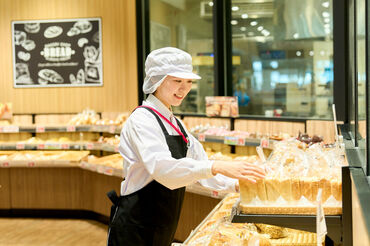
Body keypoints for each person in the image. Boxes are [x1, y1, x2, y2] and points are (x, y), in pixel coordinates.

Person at [107, 47, 265, 246]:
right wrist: (216, 166)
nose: (184, 89)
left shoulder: (175, 122)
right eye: (177, 81)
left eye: (189, 82)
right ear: (156, 80)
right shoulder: (142, 120)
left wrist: (237, 184)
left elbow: (199, 165)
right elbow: (163, 169)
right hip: (135, 226)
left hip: (162, 224)